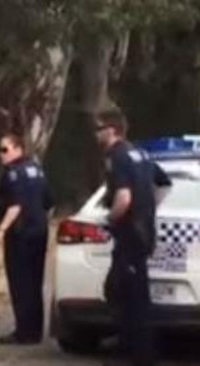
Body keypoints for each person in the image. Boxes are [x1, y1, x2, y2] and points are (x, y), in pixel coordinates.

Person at [95, 109, 171, 366]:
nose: (96, 134)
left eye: (99, 128)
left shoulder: (117, 156)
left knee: (133, 295)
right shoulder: (140, 152)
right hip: (143, 231)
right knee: (120, 289)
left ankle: (141, 354)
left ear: (112, 129)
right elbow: (164, 184)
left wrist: (112, 218)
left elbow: (123, 198)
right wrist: (148, 208)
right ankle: (128, 344)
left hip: (131, 233)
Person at [0, 133, 52, 345]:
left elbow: (15, 206)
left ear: (18, 149)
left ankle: (24, 332)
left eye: (4, 150)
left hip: (20, 234)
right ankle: (35, 331)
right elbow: (49, 201)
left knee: (20, 283)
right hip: (40, 232)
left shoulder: (12, 174)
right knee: (35, 282)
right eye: (0, 150)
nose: (1, 155)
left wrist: (1, 230)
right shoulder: (37, 170)